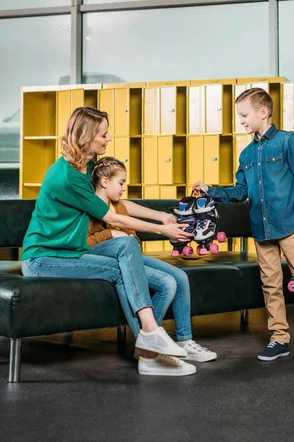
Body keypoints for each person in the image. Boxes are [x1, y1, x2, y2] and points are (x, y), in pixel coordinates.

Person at [21, 106, 199, 377]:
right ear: (86, 136)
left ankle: (150, 343)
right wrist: (163, 232)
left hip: (73, 251)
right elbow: (114, 219)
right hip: (43, 258)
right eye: (103, 134)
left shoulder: (88, 167)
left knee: (128, 246)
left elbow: (117, 203)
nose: (109, 138)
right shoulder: (67, 177)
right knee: (119, 271)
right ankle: (150, 342)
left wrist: (161, 216)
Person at [193, 87, 294, 364]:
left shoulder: (289, 142)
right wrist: (210, 190)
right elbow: (240, 192)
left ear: (263, 112)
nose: (240, 120)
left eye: (244, 115)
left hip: (291, 226)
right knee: (270, 285)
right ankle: (279, 338)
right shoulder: (246, 155)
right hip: (261, 230)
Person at [87, 155, 217, 365]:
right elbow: (85, 244)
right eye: (120, 183)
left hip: (133, 256)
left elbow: (131, 208)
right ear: (104, 182)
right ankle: (147, 344)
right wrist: (112, 235)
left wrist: (162, 217)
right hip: (113, 262)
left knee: (181, 277)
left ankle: (185, 341)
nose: (123, 188)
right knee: (167, 283)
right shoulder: (92, 207)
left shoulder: (116, 204)